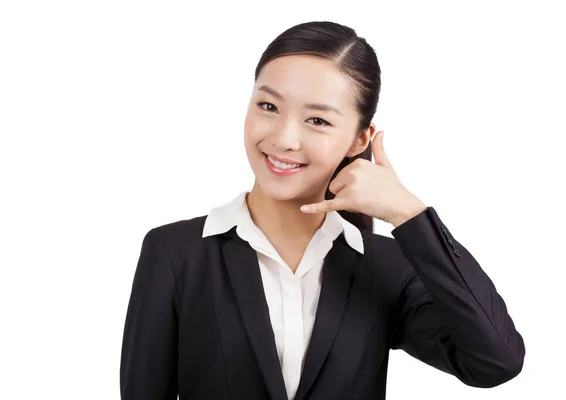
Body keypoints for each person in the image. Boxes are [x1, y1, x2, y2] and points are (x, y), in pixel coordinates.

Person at [119, 20, 525, 400]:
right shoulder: (175, 253)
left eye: (317, 120)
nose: (284, 139)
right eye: (268, 107)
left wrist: (411, 215)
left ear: (359, 139)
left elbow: (495, 361)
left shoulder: (384, 267)